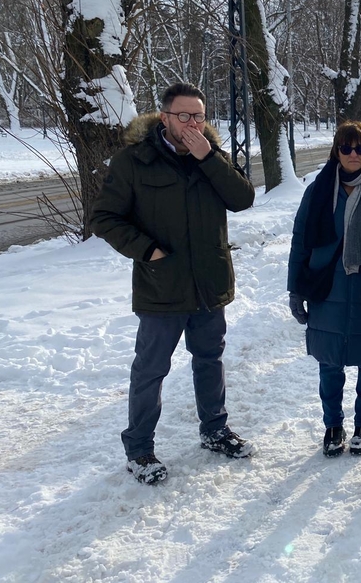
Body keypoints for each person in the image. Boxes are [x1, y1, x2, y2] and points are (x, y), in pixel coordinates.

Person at [91, 83, 256, 485]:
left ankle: (215, 429)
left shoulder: (213, 157)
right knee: (151, 370)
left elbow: (243, 199)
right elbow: (104, 218)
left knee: (210, 360)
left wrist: (208, 159)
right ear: (164, 118)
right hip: (161, 285)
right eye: (183, 116)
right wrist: (147, 251)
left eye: (198, 116)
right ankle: (139, 449)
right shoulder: (135, 161)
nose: (192, 124)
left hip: (209, 284)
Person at [287, 121, 361, 457]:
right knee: (329, 364)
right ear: (336, 151)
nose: (353, 154)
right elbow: (300, 240)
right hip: (326, 288)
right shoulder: (319, 189)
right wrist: (295, 289)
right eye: (346, 148)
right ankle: (333, 425)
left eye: (360, 147)